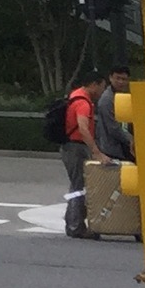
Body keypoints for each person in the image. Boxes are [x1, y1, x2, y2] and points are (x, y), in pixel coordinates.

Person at [58, 72, 102, 237]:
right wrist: (96, 151)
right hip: (76, 147)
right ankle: (75, 226)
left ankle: (73, 224)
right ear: (94, 84)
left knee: (76, 186)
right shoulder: (83, 102)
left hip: (70, 146)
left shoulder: (74, 96)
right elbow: (83, 128)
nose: (101, 91)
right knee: (79, 187)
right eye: (101, 86)